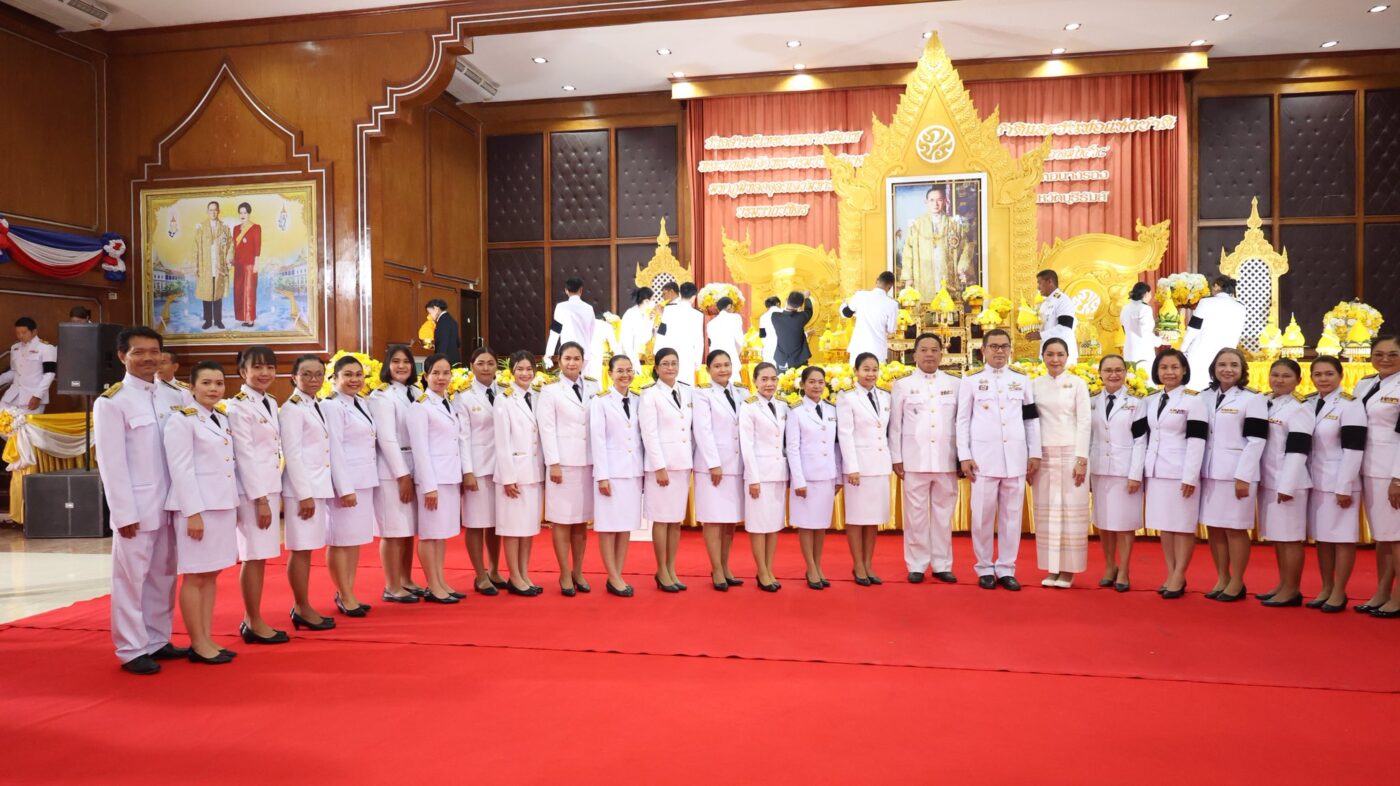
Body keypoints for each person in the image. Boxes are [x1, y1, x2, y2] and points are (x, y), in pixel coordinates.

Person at [94, 326, 188, 675]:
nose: (148, 358)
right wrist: (122, 512)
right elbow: (111, 463)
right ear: (123, 356)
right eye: (139, 352)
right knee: (131, 579)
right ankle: (132, 648)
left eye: (154, 351)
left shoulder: (176, 395)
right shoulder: (112, 402)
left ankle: (158, 639)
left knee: (164, 575)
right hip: (136, 506)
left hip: (171, 504)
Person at [164, 361, 239, 665]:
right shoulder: (182, 420)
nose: (213, 389)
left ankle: (207, 637)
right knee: (195, 576)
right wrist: (192, 512)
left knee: (211, 574)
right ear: (192, 387)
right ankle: (197, 643)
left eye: (219, 383)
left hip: (221, 506)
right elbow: (180, 469)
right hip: (198, 509)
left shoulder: (220, 417)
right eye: (206, 383)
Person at [956, 329, 1041, 590]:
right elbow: (962, 420)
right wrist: (964, 455)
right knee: (982, 516)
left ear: (1010, 349)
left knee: (1011, 517)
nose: (999, 351)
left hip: (1015, 458)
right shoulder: (971, 380)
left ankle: (1006, 568)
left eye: (1004, 346)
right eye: (993, 346)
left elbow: (1031, 419)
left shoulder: (1021, 379)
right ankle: (984, 567)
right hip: (983, 459)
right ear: (983, 350)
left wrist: (1034, 452)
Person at [224, 346, 289, 644]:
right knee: (253, 555)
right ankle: (252, 620)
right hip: (253, 492)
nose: (265, 373)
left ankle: (253, 618)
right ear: (243, 372)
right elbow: (245, 455)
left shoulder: (269, 401)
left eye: (270, 367)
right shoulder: (238, 406)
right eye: (257, 367)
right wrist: (260, 500)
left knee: (260, 556)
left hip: (268, 486)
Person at [890, 333, 960, 583]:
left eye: (934, 350)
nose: (929, 354)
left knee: (943, 515)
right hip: (914, 460)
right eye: (924, 350)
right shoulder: (902, 385)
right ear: (915, 354)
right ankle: (917, 564)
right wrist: (896, 457)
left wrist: (962, 457)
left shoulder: (956, 384)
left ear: (942, 354)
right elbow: (895, 425)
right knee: (915, 515)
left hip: (946, 459)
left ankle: (942, 564)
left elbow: (962, 423)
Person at [1197, 348, 1266, 603]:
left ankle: (1237, 580)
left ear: (1242, 369)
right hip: (1210, 472)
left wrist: (1243, 476)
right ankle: (1222, 577)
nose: (1228, 369)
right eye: (1222, 364)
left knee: (1235, 529)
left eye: (1234, 365)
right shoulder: (1203, 397)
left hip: (1237, 474)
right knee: (1214, 528)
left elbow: (1256, 440)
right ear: (1214, 368)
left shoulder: (1252, 399)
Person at [1137, 349, 1207, 599]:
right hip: (1156, 470)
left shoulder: (1194, 401)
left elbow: (1197, 441)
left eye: (1175, 367)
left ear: (1184, 370)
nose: (1169, 372)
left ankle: (1180, 574)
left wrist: (1190, 476)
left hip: (1180, 471)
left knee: (1183, 526)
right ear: (1157, 371)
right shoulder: (1151, 399)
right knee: (1165, 525)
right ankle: (1171, 572)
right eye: (1164, 367)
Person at [279, 355, 339, 631]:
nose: (313, 379)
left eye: (318, 374)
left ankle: (303, 605)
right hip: (302, 489)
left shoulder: (314, 404)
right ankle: (301, 606)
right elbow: (291, 454)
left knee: (307, 549)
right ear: (294, 377)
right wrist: (304, 494)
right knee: (301, 550)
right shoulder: (292, 408)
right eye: (306, 374)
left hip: (316, 485)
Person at [407, 353, 471, 603]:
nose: (441, 378)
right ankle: (433, 585)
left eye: (446, 373)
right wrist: (428, 486)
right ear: (425, 376)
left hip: (449, 476)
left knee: (441, 534)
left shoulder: (448, 403)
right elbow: (420, 449)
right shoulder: (420, 406)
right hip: (433, 479)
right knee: (429, 534)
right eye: (436, 373)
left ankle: (441, 580)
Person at [1304, 356, 1366, 612]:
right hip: (1316, 479)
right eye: (1318, 374)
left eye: (1329, 374)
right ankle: (1326, 587)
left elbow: (1354, 448)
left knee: (1342, 538)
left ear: (1340, 376)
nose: (1323, 379)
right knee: (1323, 539)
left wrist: (1344, 486)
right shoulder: (1309, 402)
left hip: (1340, 480)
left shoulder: (1350, 404)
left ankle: (1339, 591)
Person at [538, 342, 598, 595]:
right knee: (562, 521)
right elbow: (547, 429)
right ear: (559, 361)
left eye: (576, 358)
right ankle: (564, 572)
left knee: (580, 522)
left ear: (583, 361)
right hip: (562, 465)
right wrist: (553, 463)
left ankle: (578, 571)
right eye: (567, 358)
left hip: (588, 463)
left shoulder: (594, 387)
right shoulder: (550, 390)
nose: (572, 363)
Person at [1032, 337, 1091, 588]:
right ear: (1042, 356)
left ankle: (1068, 570)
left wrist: (1082, 459)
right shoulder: (1034, 385)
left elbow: (1085, 421)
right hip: (1044, 455)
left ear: (1067, 357)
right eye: (1050, 354)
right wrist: (1032, 455)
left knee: (1070, 512)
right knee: (1047, 513)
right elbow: (1031, 423)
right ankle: (1052, 568)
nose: (1055, 359)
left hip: (1071, 455)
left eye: (1060, 354)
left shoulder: (1078, 384)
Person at [323, 355, 380, 617]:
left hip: (364, 479)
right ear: (334, 378)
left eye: (358, 374)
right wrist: (344, 488)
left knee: (354, 540)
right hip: (346, 484)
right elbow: (333, 448)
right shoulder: (331, 405)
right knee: (340, 541)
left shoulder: (360, 402)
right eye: (347, 375)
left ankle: (348, 592)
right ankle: (344, 594)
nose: (354, 379)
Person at [1256, 359, 1315, 607]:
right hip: (1270, 479)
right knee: (1278, 538)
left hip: (1289, 482)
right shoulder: (1268, 402)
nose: (1279, 380)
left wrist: (1287, 485)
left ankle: (1292, 590)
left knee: (1290, 539)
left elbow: (1298, 450)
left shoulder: (1299, 408)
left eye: (1286, 376)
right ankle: (1283, 584)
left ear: (1298, 380)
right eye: (1275, 375)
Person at [368, 344, 422, 602]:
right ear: (387, 365)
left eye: (406, 361)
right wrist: (402, 476)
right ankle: (392, 585)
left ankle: (406, 578)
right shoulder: (381, 396)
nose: (402, 366)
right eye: (396, 361)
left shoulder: (416, 392)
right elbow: (387, 439)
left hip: (415, 462)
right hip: (392, 469)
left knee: (409, 529)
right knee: (393, 530)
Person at [1088, 354, 1146, 592]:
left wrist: (1135, 474)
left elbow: (1141, 441)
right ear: (1100, 374)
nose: (1113, 374)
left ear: (1125, 373)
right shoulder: (1091, 401)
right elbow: (1088, 436)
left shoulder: (1137, 402)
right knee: (1104, 521)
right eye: (1108, 370)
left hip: (1124, 470)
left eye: (1118, 370)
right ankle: (1110, 566)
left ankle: (1124, 570)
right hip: (1099, 469)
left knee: (1124, 523)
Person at [639, 347, 693, 592]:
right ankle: (661, 570)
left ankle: (671, 568)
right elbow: (649, 433)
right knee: (661, 520)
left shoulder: (687, 391)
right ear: (657, 368)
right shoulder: (650, 394)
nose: (671, 368)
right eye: (665, 364)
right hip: (662, 467)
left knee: (675, 521)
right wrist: (659, 466)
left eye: (674, 363)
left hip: (682, 464)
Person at [1353, 335, 1400, 617]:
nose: (1385, 359)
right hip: (1369, 469)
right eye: (1378, 354)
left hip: (1391, 472)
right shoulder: (1365, 384)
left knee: (1397, 537)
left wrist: (1398, 478)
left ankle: (1398, 597)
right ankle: (1382, 591)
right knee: (1383, 537)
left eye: (1393, 354)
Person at [838, 352, 894, 585]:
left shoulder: (885, 396)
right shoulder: (847, 397)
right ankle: (858, 565)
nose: (871, 374)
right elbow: (845, 434)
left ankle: (869, 564)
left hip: (879, 465)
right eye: (866, 369)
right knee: (856, 517)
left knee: (873, 519)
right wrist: (851, 467)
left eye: (874, 369)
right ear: (856, 371)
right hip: (858, 467)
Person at [692, 349, 746, 591]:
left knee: (729, 521)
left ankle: (725, 566)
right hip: (713, 466)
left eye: (726, 364)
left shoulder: (743, 392)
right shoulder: (702, 394)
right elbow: (702, 431)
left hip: (737, 464)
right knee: (714, 519)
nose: (723, 369)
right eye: (717, 366)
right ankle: (716, 568)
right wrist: (714, 463)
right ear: (708, 370)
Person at [590, 354, 643, 597]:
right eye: (620, 371)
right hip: (611, 472)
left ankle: (618, 575)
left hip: (632, 472)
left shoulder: (638, 399)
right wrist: (602, 476)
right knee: (608, 526)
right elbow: (598, 440)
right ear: (610, 374)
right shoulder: (600, 401)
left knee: (625, 526)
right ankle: (612, 576)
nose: (625, 375)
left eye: (629, 370)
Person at [494, 351, 546, 596]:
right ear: (511, 371)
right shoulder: (503, 399)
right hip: (514, 473)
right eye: (520, 369)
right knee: (513, 529)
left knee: (528, 529)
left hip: (534, 472)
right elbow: (502, 442)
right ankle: (514, 576)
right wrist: (508, 477)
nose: (525, 373)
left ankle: (524, 573)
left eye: (529, 369)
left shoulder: (538, 396)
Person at [456, 347, 507, 594]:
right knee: (476, 523)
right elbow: (462, 437)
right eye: (480, 363)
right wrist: (467, 471)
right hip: (477, 468)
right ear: (472, 366)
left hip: (502, 468)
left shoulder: (506, 392)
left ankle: (495, 570)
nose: (486, 368)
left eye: (490, 363)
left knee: (497, 524)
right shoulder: (463, 397)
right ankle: (480, 575)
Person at [787, 365, 840, 590]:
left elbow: (836, 445)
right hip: (807, 477)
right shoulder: (796, 411)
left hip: (827, 475)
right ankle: (810, 568)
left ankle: (818, 565)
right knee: (807, 525)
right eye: (811, 382)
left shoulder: (831, 409)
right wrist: (798, 480)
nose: (817, 386)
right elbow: (792, 448)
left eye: (820, 382)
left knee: (820, 526)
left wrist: (838, 476)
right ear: (802, 385)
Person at [739, 362, 788, 591]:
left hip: (778, 473)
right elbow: (747, 445)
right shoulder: (749, 406)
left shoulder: (782, 405)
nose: (769, 383)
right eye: (764, 379)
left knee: (773, 524)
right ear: (755, 381)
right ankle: (761, 570)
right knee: (759, 525)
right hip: (759, 474)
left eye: (773, 379)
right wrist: (753, 478)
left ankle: (769, 568)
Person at [901, 185, 973, 292]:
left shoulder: (954, 224)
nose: (935, 204)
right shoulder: (916, 225)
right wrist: (908, 277)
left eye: (939, 200)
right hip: (924, 276)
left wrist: (961, 268)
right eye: (932, 200)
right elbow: (908, 252)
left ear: (945, 201)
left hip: (948, 275)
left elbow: (966, 247)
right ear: (926, 202)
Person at [1181, 276, 1246, 391]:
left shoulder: (1205, 302)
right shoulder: (1240, 307)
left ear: (1216, 286)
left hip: (1201, 353)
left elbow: (1193, 328)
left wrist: (1182, 349)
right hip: (1225, 355)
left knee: (1195, 389)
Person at [840, 271, 899, 366]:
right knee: (877, 375)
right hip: (878, 350)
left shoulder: (860, 295)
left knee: (855, 374)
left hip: (858, 348)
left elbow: (846, 313)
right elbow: (891, 329)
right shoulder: (892, 304)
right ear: (890, 287)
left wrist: (843, 304)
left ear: (877, 281)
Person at [0, 317, 56, 414]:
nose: (20, 336)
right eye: (17, 333)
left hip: (32, 398)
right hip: (12, 397)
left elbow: (49, 374)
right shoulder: (15, 348)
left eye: (24, 332)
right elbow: (14, 372)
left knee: (27, 424)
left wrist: (37, 396)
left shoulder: (46, 348)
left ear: (34, 332)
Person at [1025, 269, 1078, 367]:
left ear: (1049, 282)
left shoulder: (1063, 300)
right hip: (1048, 353)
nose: (1038, 287)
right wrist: (1025, 327)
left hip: (1063, 356)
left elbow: (1065, 328)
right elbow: (1044, 326)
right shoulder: (1045, 303)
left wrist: (1040, 335)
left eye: (1040, 283)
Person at [193, 200, 232, 330]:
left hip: (219, 266)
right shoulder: (201, 228)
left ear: (218, 211)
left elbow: (230, 245)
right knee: (207, 294)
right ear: (207, 211)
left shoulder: (224, 227)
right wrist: (196, 266)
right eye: (211, 210)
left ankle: (218, 320)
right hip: (206, 266)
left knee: (218, 294)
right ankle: (208, 320)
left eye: (215, 210)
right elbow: (196, 248)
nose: (213, 212)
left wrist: (228, 260)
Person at [656, 281, 704, 383]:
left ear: (680, 294)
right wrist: (698, 362)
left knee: (669, 385)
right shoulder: (698, 315)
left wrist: (657, 353)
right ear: (694, 297)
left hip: (669, 354)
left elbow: (661, 333)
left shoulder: (668, 309)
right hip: (688, 356)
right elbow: (699, 340)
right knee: (686, 386)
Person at [544, 277, 596, 370]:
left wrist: (548, 354)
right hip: (585, 355)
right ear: (581, 290)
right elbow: (592, 332)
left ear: (566, 291)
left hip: (567, 353)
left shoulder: (561, 307)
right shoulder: (589, 308)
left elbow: (555, 331)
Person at [232, 202, 262, 327]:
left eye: (245, 212)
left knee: (249, 292)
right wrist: (231, 261)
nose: (242, 215)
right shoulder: (236, 229)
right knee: (239, 292)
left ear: (249, 213)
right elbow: (234, 247)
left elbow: (257, 247)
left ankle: (250, 319)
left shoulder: (255, 228)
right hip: (238, 265)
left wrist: (256, 264)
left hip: (250, 265)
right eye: (241, 213)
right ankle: (243, 318)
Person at [1120, 282, 1159, 368]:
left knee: (1131, 374)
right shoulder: (1145, 308)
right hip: (1143, 350)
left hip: (1129, 348)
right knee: (1144, 373)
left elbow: (1124, 328)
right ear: (1146, 294)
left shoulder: (1125, 308)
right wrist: (1160, 341)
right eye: (1150, 293)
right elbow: (1145, 334)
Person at [772, 291, 813, 371]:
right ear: (799, 306)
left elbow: (786, 314)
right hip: (799, 359)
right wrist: (807, 298)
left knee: (781, 379)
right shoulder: (801, 317)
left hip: (781, 359)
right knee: (800, 379)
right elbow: (809, 310)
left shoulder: (775, 316)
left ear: (787, 300)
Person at [705, 296, 745, 369]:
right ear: (729, 306)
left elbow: (711, 344)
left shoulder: (710, 324)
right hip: (730, 357)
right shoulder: (735, 318)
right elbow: (740, 341)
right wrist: (739, 353)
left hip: (715, 358)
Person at [619, 287, 655, 364]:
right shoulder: (630, 314)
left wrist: (650, 321)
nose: (654, 302)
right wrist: (632, 358)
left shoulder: (645, 314)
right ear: (646, 301)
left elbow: (646, 337)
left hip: (636, 352)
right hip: (628, 353)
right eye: (652, 299)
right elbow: (626, 339)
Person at [425, 299, 461, 365]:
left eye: (430, 313)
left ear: (436, 309)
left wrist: (439, 361)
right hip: (455, 360)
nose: (430, 316)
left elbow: (443, 343)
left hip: (445, 362)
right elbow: (458, 342)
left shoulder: (442, 321)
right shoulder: (452, 320)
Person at [758, 295, 782, 364]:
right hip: (784, 349)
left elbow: (762, 335)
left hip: (769, 349)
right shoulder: (785, 313)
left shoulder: (763, 317)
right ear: (778, 304)